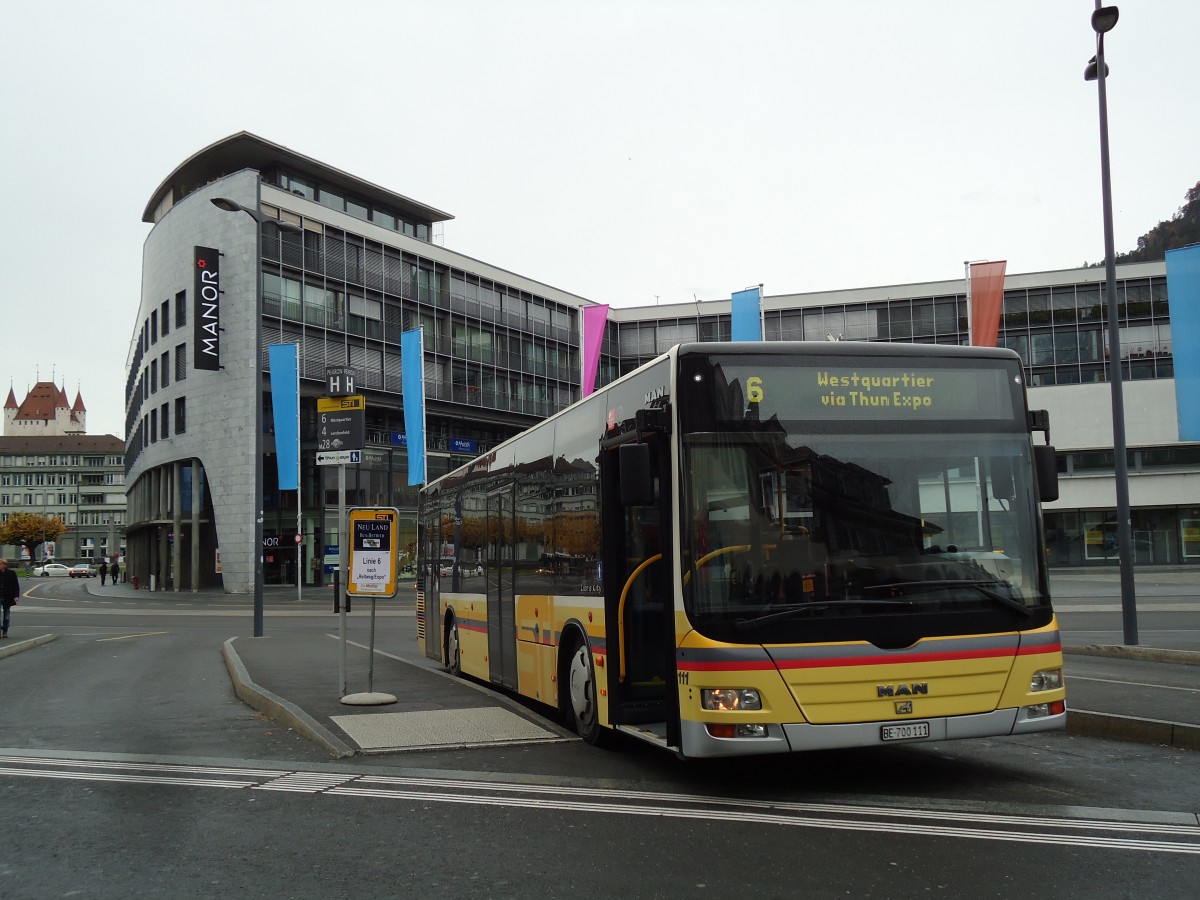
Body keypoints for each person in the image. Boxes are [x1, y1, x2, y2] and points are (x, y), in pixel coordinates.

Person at [0, 559, 20, 638]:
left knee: (6, 616)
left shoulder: (11, 573)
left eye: (0, 564)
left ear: (4, 565)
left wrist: (16, 595)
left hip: (7, 596)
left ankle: (5, 630)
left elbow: (16, 585)